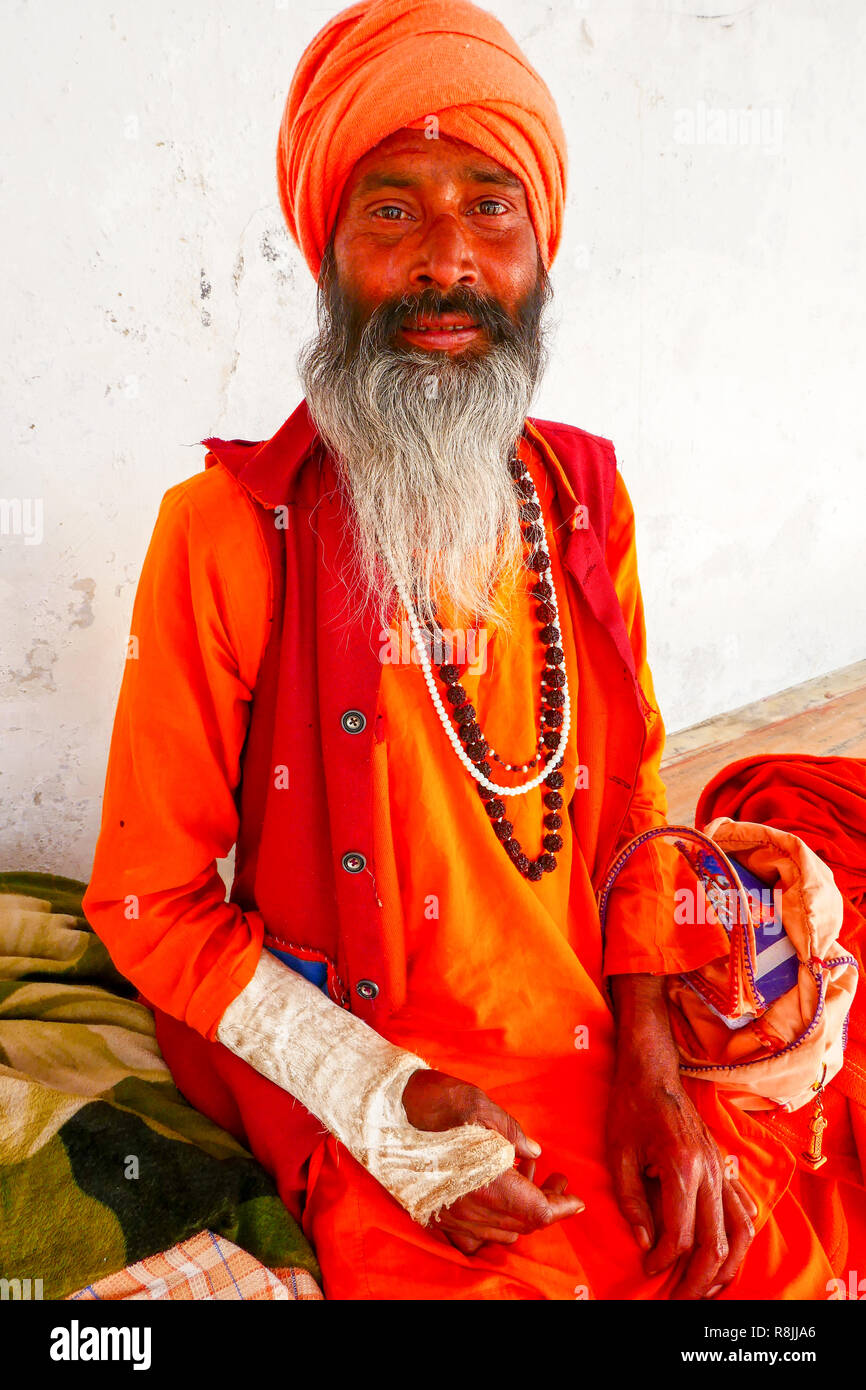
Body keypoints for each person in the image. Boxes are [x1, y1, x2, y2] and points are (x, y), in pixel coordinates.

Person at [83, 0, 848, 1300]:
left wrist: (653, 1071)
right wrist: (376, 1102)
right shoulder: (220, 533)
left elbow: (624, 813)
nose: (446, 262)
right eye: (391, 211)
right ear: (325, 253)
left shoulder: (586, 502)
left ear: (538, 251)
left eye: (488, 208)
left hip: (604, 1030)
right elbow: (147, 902)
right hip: (371, 1055)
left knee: (756, 1264)